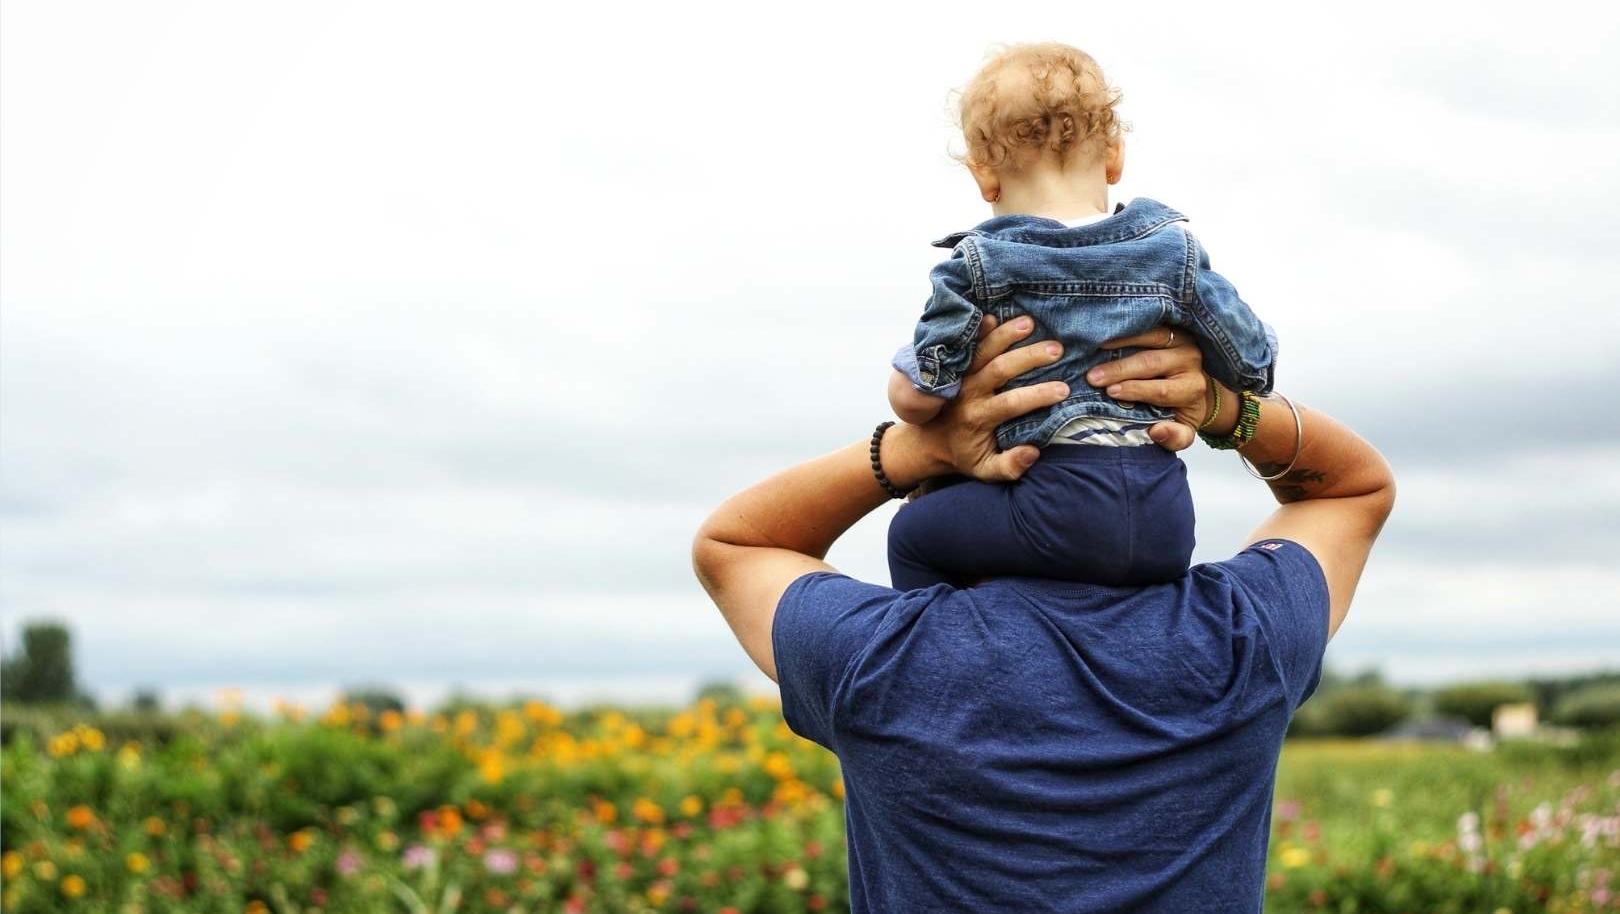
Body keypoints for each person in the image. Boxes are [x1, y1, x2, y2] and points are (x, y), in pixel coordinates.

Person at [692, 317, 1395, 912]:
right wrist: (1217, 406)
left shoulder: (879, 661)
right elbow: (1348, 491)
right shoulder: (1240, 638)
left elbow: (736, 544)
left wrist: (913, 449)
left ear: (942, 505)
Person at [887, 42, 1276, 590]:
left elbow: (923, 396)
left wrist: (908, 379)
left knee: (913, 534)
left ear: (984, 177)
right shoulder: (1173, 252)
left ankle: (938, 655)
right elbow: (1251, 364)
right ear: (1115, 157)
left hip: (1050, 504)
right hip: (1164, 515)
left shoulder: (979, 264)